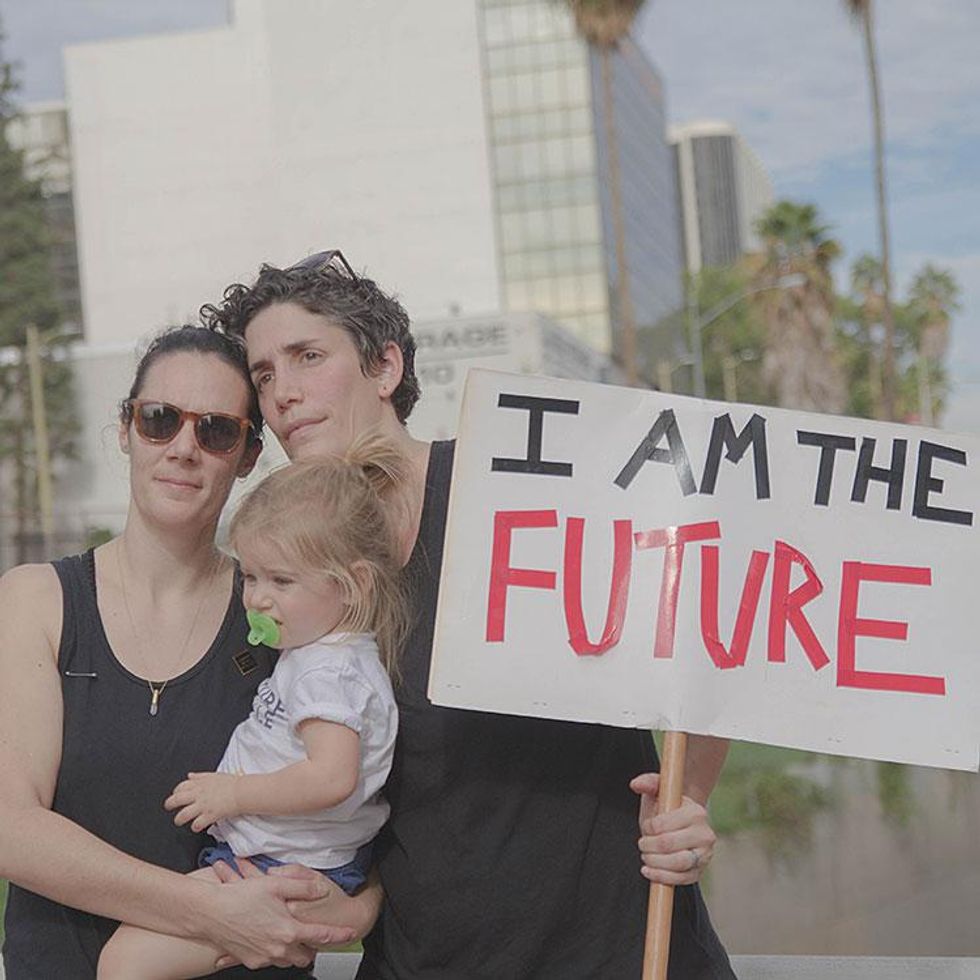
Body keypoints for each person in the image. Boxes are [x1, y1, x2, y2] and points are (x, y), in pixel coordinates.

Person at [203, 251, 737, 978]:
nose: (284, 393)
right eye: (264, 375)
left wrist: (689, 800)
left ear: (385, 367)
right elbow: (337, 785)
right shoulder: (281, 572)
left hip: (611, 946)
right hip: (426, 955)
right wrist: (358, 899)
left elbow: (709, 631)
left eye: (307, 357)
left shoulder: (517, 485)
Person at [0, 326, 369, 980]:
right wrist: (209, 912)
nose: (183, 448)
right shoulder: (37, 600)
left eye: (217, 430)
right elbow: (12, 828)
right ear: (125, 428)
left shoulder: (284, 613)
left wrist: (353, 909)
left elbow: (375, 788)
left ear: (250, 454)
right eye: (160, 420)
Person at [98, 441, 406, 980]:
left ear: (354, 584)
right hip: (280, 862)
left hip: (282, 874)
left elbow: (331, 776)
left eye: (281, 581)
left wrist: (232, 793)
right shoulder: (320, 652)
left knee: (127, 963)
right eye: (252, 576)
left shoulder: (327, 672)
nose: (257, 598)